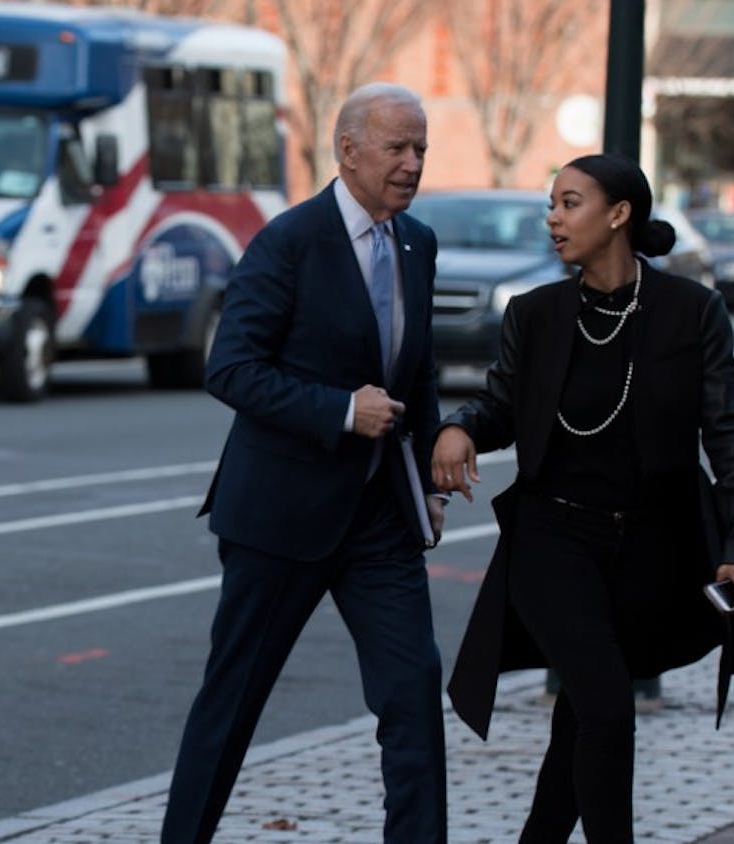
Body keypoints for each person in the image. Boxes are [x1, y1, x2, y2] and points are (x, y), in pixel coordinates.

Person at [434, 153, 734, 843]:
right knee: (609, 708)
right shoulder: (537, 314)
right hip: (552, 541)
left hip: (651, 549)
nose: (553, 218)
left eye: (570, 203)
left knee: (584, 720)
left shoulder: (691, 311)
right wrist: (457, 427)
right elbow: (501, 405)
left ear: (618, 215)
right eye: (552, 205)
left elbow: (731, 437)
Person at [161, 83, 448, 844]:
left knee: (415, 691)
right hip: (279, 518)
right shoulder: (288, 240)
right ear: (347, 150)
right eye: (398, 147)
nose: (413, 163)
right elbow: (231, 368)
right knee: (232, 706)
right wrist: (340, 411)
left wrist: (424, 478)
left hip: (380, 517)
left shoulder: (418, 243)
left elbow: (418, 374)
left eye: (421, 148)